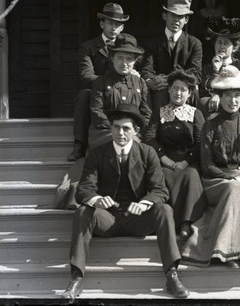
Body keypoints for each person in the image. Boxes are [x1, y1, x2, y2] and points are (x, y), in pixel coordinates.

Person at [62, 103, 189, 300]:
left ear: (135, 130)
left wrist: (145, 203)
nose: (120, 133)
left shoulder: (147, 153)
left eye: (126, 128)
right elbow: (84, 189)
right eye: (116, 127)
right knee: (82, 211)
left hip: (138, 219)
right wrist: (96, 200)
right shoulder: (97, 153)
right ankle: (76, 277)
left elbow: (160, 190)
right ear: (111, 128)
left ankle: (172, 275)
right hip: (108, 219)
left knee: (164, 209)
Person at [181, 66, 240, 268]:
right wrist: (228, 176)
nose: (233, 101)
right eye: (228, 96)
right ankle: (228, 252)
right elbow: (206, 164)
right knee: (234, 189)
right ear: (220, 98)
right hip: (217, 181)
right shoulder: (210, 124)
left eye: (237, 96)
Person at [143, 70, 206, 239]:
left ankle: (187, 222)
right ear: (169, 90)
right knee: (162, 175)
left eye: (183, 90)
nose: (178, 93)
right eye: (175, 88)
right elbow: (149, 138)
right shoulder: (159, 113)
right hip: (165, 160)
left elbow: (200, 142)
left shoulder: (195, 113)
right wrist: (165, 159)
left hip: (189, 160)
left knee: (191, 175)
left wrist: (186, 162)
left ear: (189, 93)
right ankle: (167, 222)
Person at [67, 3, 129, 161]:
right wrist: (107, 83)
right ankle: (80, 144)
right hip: (97, 90)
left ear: (121, 28)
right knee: (84, 95)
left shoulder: (127, 45)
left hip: (121, 90)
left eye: (117, 24)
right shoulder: (88, 47)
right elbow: (86, 75)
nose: (114, 28)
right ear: (102, 24)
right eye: (110, 23)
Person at [141, 0, 203, 115]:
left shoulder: (194, 43)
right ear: (165, 16)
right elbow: (147, 68)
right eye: (172, 15)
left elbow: (196, 73)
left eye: (180, 16)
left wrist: (173, 81)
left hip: (184, 88)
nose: (176, 20)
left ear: (186, 20)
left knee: (193, 94)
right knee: (156, 93)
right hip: (160, 88)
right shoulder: (153, 42)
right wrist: (150, 81)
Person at [89, 33, 151, 149]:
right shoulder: (101, 82)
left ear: (135, 61)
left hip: (134, 135)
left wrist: (133, 131)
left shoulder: (141, 83)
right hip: (105, 133)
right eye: (120, 58)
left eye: (129, 59)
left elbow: (146, 114)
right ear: (112, 58)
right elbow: (96, 111)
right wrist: (117, 129)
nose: (124, 63)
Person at [198, 17, 240, 119]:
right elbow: (204, 92)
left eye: (226, 43)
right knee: (203, 101)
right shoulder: (208, 68)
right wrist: (216, 70)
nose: (221, 46)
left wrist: (220, 96)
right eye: (219, 42)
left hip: (235, 103)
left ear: (234, 47)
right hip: (213, 106)